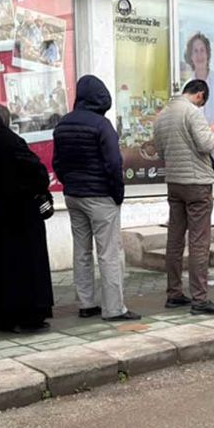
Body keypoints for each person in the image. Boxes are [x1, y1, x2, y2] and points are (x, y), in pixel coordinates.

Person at [53, 75, 140, 321]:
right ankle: (114, 309)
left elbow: (57, 162)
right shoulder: (102, 126)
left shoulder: (63, 124)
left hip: (73, 195)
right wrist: (117, 193)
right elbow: (114, 163)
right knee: (109, 253)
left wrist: (69, 182)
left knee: (81, 251)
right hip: (101, 196)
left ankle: (86, 303)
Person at [0, 103, 55, 331]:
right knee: (26, 265)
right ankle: (28, 315)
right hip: (21, 214)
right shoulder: (12, 141)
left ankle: (1, 315)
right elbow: (37, 172)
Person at [153, 79, 214, 315]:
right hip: (197, 184)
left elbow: (161, 151)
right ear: (199, 95)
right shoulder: (192, 113)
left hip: (174, 183)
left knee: (174, 239)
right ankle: (200, 299)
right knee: (199, 242)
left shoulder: (163, 115)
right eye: (202, 101)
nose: (201, 105)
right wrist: (213, 132)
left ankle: (174, 294)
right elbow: (206, 145)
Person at [184, 33, 214, 181]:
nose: (199, 55)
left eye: (202, 50)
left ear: (208, 54)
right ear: (190, 57)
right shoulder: (186, 88)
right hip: (194, 158)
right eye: (195, 51)